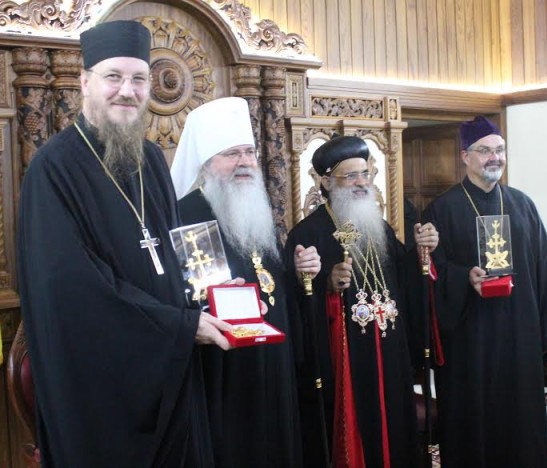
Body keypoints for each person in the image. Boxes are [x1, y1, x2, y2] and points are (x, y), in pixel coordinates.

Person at [16, 20, 232, 468]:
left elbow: (174, 253)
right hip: (102, 389)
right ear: (85, 83)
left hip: (170, 370)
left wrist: (224, 303)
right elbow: (70, 291)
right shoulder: (52, 169)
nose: (127, 91)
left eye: (139, 79)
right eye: (113, 77)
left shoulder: (151, 158)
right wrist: (178, 327)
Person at [170, 96, 321, 468]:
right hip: (224, 372)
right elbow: (185, 299)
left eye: (249, 152)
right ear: (206, 163)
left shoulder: (255, 209)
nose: (244, 162)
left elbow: (272, 285)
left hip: (273, 363)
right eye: (231, 153)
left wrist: (302, 275)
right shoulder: (188, 215)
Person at [422, 116, 547, 467]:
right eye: (485, 150)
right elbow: (431, 271)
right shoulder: (442, 209)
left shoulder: (522, 205)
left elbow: (545, 268)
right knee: (473, 421)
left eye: (500, 150)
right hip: (469, 342)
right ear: (465, 156)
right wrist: (464, 278)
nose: (495, 158)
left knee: (521, 422)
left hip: (519, 336)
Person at [284, 135, 439, 468]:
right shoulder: (307, 234)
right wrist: (327, 285)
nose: (361, 183)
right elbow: (294, 301)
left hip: (389, 351)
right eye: (350, 176)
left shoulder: (379, 227)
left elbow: (403, 279)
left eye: (365, 174)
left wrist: (421, 255)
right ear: (326, 182)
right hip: (346, 357)